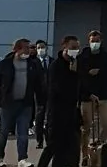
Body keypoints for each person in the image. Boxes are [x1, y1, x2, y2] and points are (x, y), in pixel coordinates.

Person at [0, 38, 44, 167]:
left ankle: (22, 159)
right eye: (25, 47)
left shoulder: (32, 64)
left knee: (23, 132)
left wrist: (41, 101)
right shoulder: (5, 64)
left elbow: (39, 84)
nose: (29, 50)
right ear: (17, 49)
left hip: (25, 104)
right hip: (8, 104)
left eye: (29, 47)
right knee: (4, 131)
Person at [37, 36, 83, 167]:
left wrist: (88, 94)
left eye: (77, 48)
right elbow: (58, 89)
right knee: (53, 146)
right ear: (64, 47)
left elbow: (80, 85)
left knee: (72, 148)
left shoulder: (75, 64)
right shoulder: (55, 66)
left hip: (72, 114)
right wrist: (73, 74)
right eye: (73, 47)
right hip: (57, 114)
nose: (76, 50)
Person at [76, 29, 107, 166]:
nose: (95, 43)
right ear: (88, 41)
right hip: (86, 96)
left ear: (101, 41)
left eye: (97, 41)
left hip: (103, 95)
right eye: (93, 41)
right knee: (86, 127)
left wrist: (100, 71)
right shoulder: (82, 57)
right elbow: (78, 76)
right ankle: (85, 155)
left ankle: (98, 144)